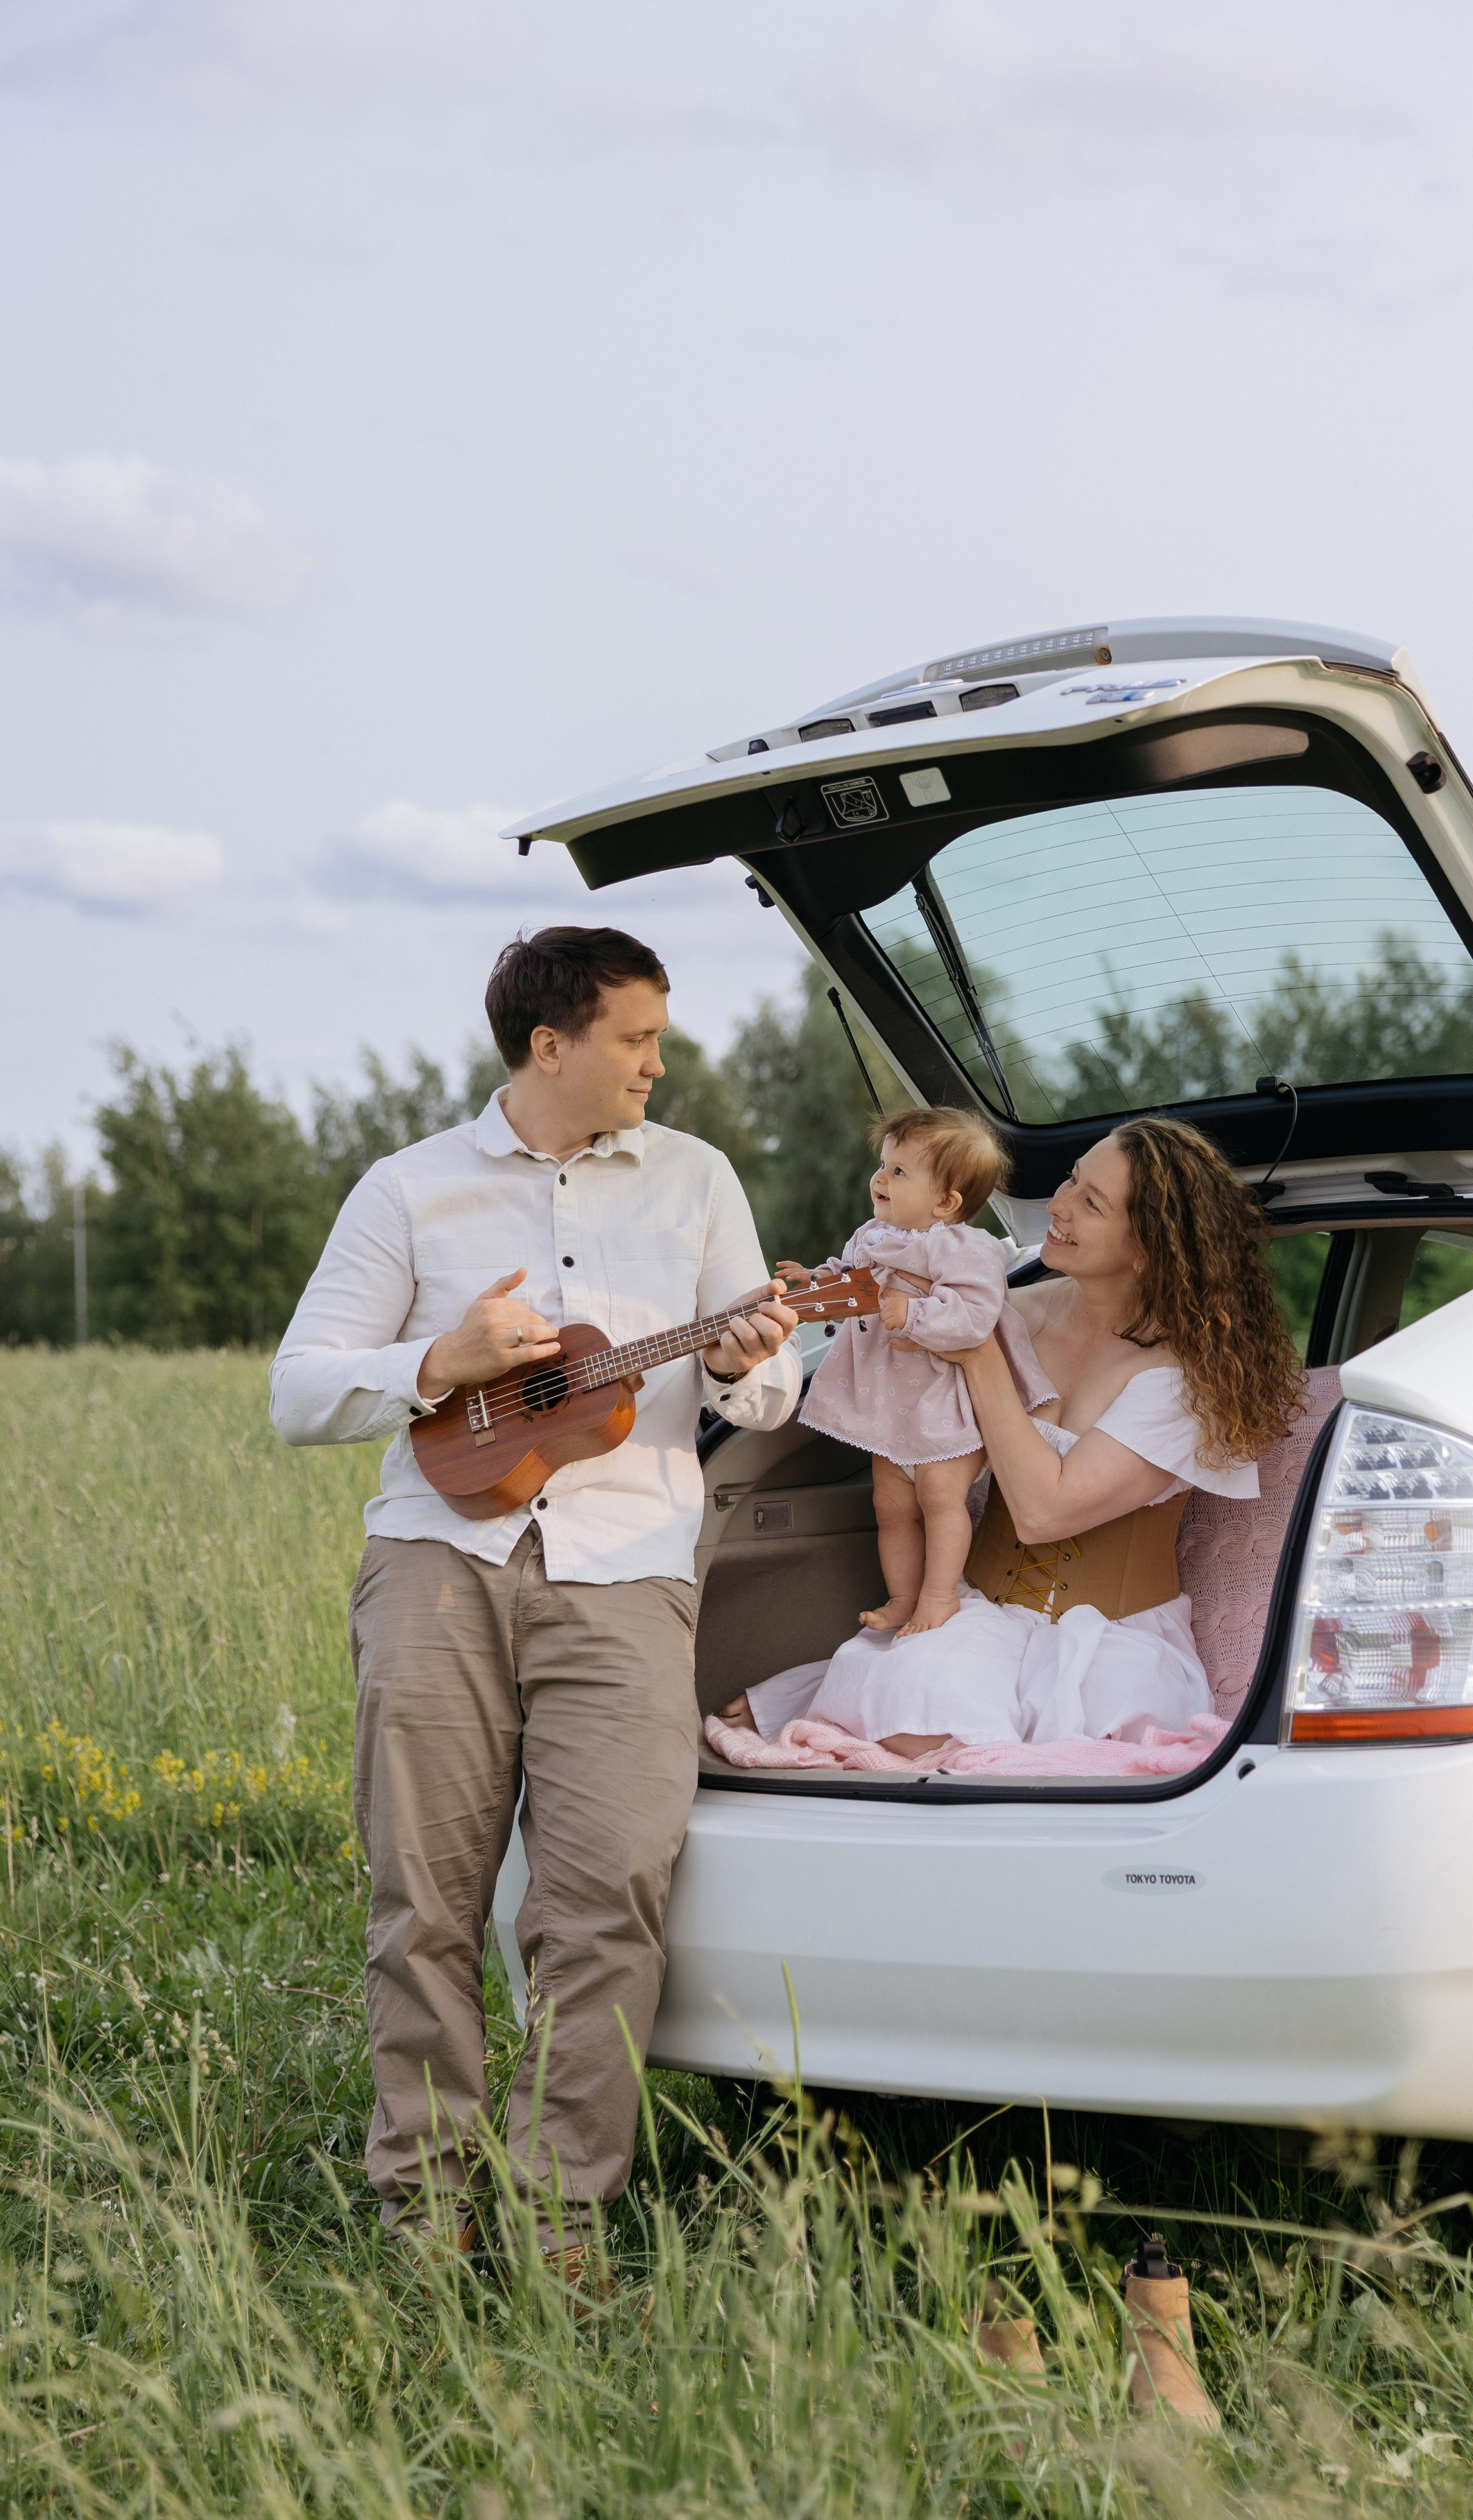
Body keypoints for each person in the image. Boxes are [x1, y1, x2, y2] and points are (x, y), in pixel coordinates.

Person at [270, 926, 799, 2268]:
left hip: (626, 1572)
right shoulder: (408, 1188)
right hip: (434, 1570)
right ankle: (425, 2220)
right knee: (425, 1902)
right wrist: (435, 1362)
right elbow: (298, 1390)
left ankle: (559, 2222)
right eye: (637, 1038)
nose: (658, 1063)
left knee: (609, 1894)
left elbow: (770, 1392)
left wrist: (739, 1363)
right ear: (549, 1045)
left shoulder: (698, 1178)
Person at [719, 1116, 1304, 1763]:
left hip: (1110, 1645)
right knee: (903, 1718)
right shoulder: (1008, 1306)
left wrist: (979, 1355)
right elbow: (873, 1346)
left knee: (999, 1745)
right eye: (1071, 1180)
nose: (1058, 1205)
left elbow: (1042, 1513)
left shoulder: (1186, 1382)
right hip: (976, 1616)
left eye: (1091, 1202)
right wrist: (767, 1333)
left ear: (1149, 1247)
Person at [781, 1105, 1056, 1637]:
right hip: (891, 1410)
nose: (880, 1178)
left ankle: (938, 1595)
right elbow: (853, 1282)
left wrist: (913, 1313)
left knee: (940, 1502)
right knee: (889, 1507)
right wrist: (818, 1281)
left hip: (946, 1407)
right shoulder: (871, 1235)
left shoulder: (963, 1248)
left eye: (899, 1171)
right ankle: (903, 1597)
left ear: (946, 1202)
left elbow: (975, 1317)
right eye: (883, 1165)